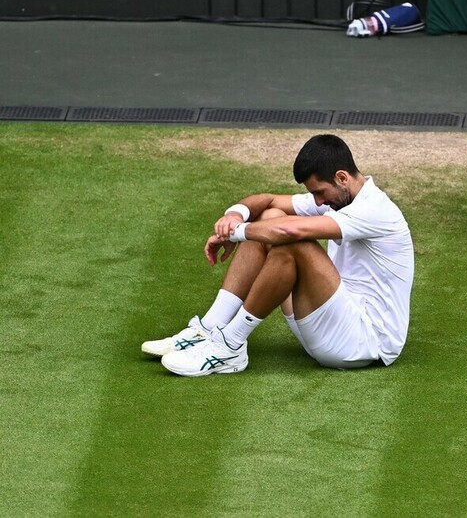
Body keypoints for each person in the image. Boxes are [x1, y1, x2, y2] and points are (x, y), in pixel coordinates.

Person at [141, 134, 415, 376]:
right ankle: (210, 328)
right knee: (270, 218)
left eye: (320, 192)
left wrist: (235, 234)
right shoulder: (339, 197)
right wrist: (234, 215)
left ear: (342, 178)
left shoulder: (377, 210)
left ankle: (231, 344)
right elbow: (269, 201)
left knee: (292, 240)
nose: (319, 202)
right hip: (328, 323)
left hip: (363, 344)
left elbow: (288, 232)